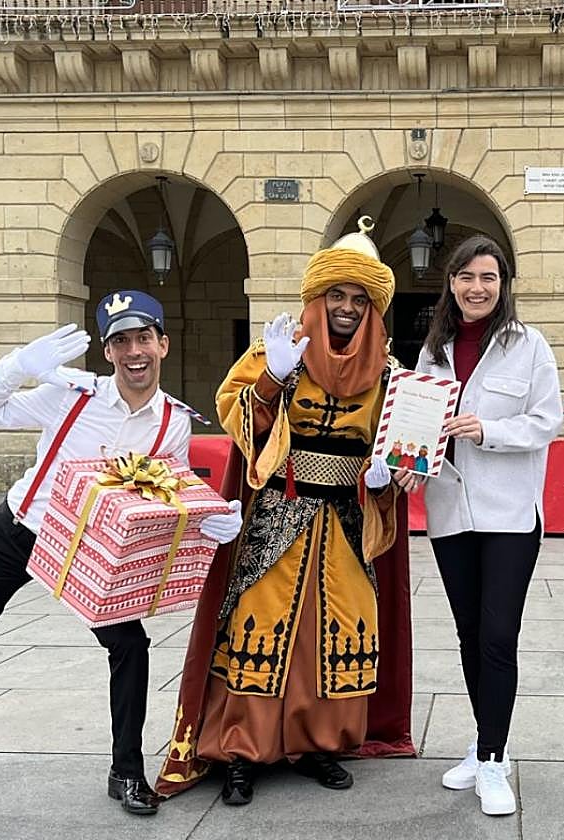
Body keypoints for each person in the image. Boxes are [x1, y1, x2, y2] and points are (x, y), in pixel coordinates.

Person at [0, 290, 244, 816]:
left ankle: (127, 773)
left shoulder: (173, 422)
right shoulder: (73, 394)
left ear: (162, 344)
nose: (133, 351)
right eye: (120, 342)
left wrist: (209, 520)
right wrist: (16, 366)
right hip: (18, 533)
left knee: (130, 647)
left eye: (143, 338)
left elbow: (168, 494)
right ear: (108, 353)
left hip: (88, 553)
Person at [155, 217, 414, 807]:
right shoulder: (277, 351)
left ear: (373, 309)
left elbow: (402, 446)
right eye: (337, 295)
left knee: (341, 627)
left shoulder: (390, 373)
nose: (347, 308)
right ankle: (241, 750)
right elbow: (238, 420)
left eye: (359, 299)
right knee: (260, 624)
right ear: (318, 298)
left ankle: (318, 744)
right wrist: (271, 379)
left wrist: (388, 470)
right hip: (280, 515)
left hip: (348, 523)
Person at [397, 235, 562, 817]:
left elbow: (547, 421)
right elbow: (417, 424)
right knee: (469, 635)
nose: (476, 287)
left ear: (503, 284)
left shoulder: (529, 345)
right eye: (466, 277)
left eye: (488, 277)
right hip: (450, 512)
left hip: (510, 514)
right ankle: (484, 739)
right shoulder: (434, 350)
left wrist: (487, 431)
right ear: (451, 283)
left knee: (497, 635)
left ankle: (494, 762)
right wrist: (410, 466)